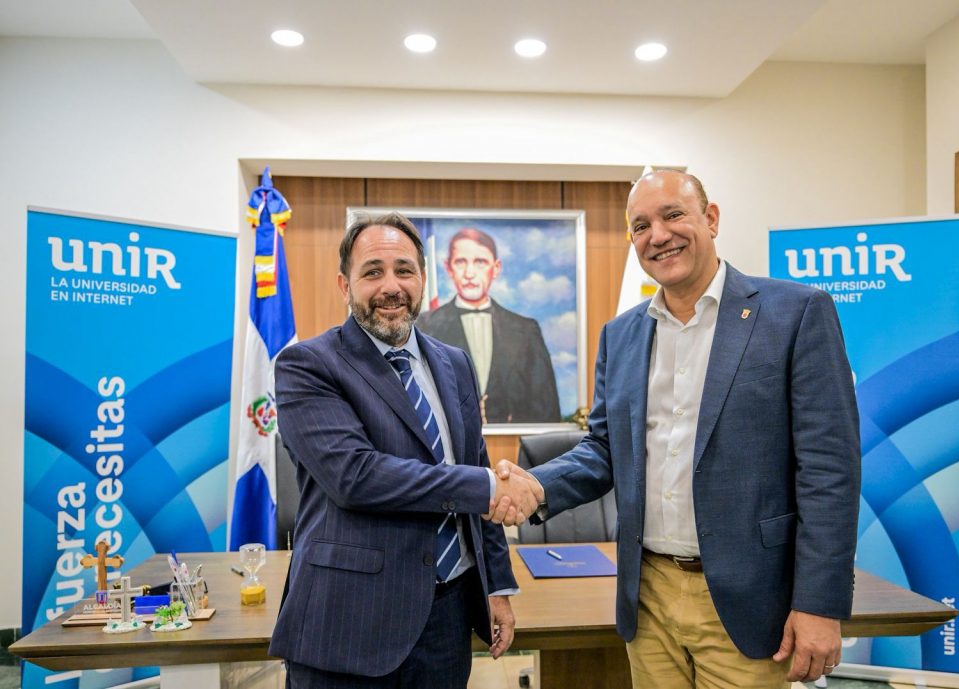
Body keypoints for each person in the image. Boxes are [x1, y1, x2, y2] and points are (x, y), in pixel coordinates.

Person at [492, 170, 861, 687]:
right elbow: (604, 449)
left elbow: (829, 470)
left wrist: (819, 604)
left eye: (672, 215)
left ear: (711, 219)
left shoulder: (795, 313)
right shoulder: (621, 335)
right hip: (648, 597)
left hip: (748, 600)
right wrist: (537, 485)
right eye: (641, 226)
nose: (658, 235)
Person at [269, 212, 542, 688]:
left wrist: (496, 585)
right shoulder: (308, 365)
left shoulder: (454, 363)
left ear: (422, 280)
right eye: (372, 272)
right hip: (348, 622)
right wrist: (487, 487)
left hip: (447, 621)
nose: (391, 286)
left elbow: (474, 465)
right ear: (345, 285)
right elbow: (356, 476)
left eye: (404, 270)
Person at [417, 227, 561, 424]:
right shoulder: (424, 326)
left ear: (496, 268)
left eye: (480, 262)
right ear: (449, 268)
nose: (469, 273)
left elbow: (547, 409)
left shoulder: (527, 330)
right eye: (461, 262)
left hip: (515, 442)